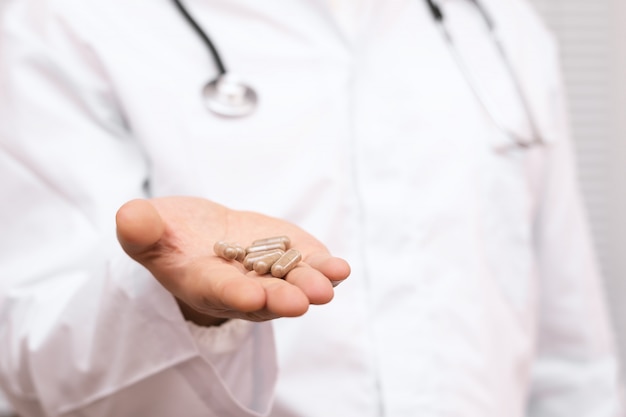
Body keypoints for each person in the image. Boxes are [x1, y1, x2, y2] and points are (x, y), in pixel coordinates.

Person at [0, 0, 623, 416]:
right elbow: (28, 348)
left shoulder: (496, 25)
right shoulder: (57, 19)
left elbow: (571, 356)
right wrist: (182, 307)